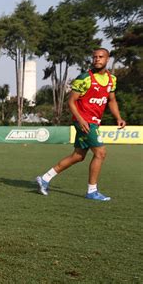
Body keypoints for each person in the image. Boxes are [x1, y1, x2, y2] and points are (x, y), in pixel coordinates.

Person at [36, 48, 126, 201]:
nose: (97, 59)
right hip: (84, 121)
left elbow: (111, 100)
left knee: (78, 156)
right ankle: (92, 191)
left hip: (93, 123)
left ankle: (44, 178)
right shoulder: (84, 78)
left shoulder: (112, 80)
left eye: (100, 57)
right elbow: (71, 102)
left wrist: (118, 117)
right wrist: (81, 119)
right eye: (94, 57)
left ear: (107, 59)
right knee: (100, 153)